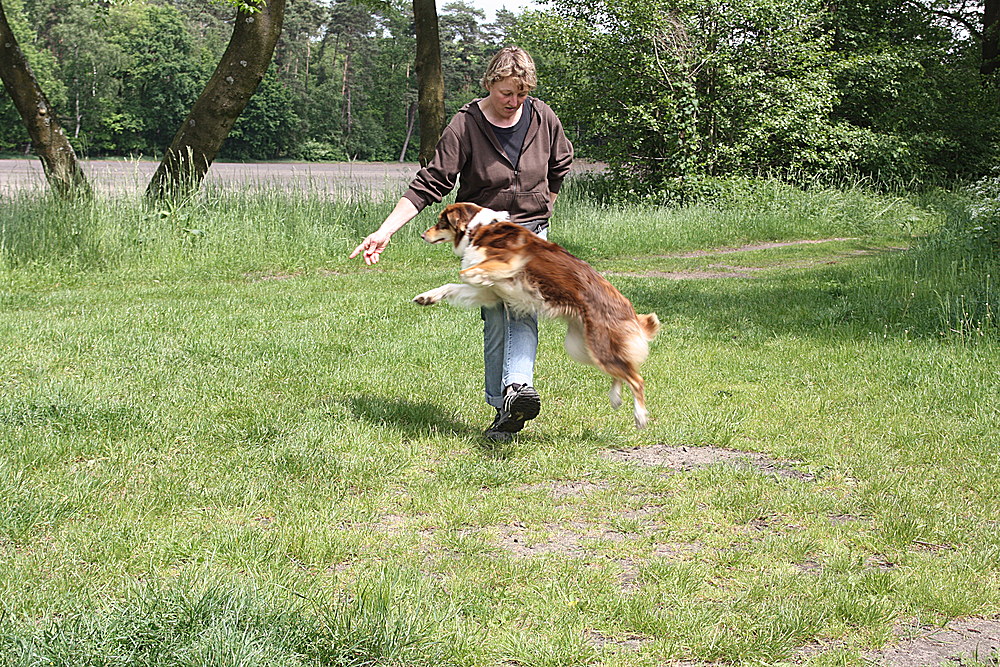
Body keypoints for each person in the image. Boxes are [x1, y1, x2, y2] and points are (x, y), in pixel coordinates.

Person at [350, 46, 574, 441]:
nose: (514, 102)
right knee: (495, 316)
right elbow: (431, 182)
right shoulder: (466, 124)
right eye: (507, 92)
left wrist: (545, 208)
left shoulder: (542, 116)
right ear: (490, 83)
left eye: (522, 94)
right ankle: (504, 404)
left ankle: (516, 389)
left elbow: (560, 164)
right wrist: (384, 231)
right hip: (486, 238)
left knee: (521, 309)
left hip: (529, 235)